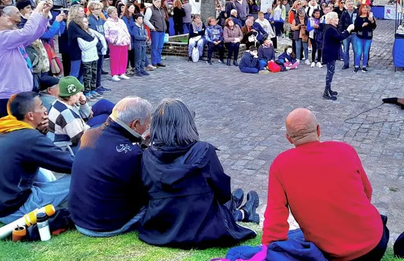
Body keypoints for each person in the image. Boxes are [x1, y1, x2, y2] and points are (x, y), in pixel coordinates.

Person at [262, 108, 389, 261]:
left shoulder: (280, 165)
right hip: (376, 243)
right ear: (318, 130)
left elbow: (275, 221)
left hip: (335, 255)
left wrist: (268, 251)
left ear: (289, 138)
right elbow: (367, 191)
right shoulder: (345, 150)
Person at [139, 99, 258, 248]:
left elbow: (144, 194)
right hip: (202, 230)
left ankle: (239, 208)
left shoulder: (147, 156)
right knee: (222, 198)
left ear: (156, 126)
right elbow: (223, 194)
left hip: (161, 230)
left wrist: (143, 144)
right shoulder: (204, 151)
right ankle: (243, 212)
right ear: (187, 124)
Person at [69, 97, 152, 237]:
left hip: (79, 218)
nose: (147, 128)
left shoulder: (89, 134)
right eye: (147, 125)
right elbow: (145, 190)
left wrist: (141, 144)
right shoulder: (131, 154)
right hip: (106, 225)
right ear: (135, 124)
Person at [0, 92, 73, 224]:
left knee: (38, 168)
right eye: (41, 106)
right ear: (30, 115)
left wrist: (39, 133)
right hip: (15, 209)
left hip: (4, 201)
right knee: (82, 175)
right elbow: (70, 164)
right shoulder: (30, 138)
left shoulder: (6, 128)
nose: (45, 110)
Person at [0, 0, 52, 117]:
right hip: (8, 96)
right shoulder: (2, 37)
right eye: (3, 15)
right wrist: (37, 10)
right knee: (13, 131)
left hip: (19, 93)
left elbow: (35, 33)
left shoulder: (10, 38)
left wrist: (44, 14)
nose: (7, 17)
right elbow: (27, 32)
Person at [322, 12, 355, 100]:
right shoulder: (330, 28)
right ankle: (326, 92)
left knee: (331, 71)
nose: (338, 20)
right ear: (331, 20)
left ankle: (328, 89)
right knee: (330, 72)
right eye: (336, 18)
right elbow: (340, 37)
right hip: (329, 52)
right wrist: (348, 30)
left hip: (330, 52)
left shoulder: (331, 27)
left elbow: (339, 35)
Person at [77, 17, 106, 100]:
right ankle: (87, 91)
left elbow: (100, 36)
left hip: (94, 56)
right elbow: (84, 47)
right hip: (87, 57)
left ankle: (93, 90)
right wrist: (94, 42)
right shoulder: (80, 35)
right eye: (84, 22)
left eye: (87, 21)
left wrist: (103, 46)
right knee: (87, 76)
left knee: (94, 74)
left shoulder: (90, 31)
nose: (87, 23)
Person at [87, 1, 111, 92]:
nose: (99, 10)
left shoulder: (100, 19)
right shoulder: (90, 20)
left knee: (99, 67)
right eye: (97, 9)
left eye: (100, 9)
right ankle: (94, 86)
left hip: (102, 45)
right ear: (92, 10)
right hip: (96, 46)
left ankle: (98, 84)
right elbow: (92, 34)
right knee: (95, 68)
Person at [104, 6, 131, 82]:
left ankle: (122, 72)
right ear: (109, 14)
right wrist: (112, 41)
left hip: (124, 42)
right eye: (113, 12)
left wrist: (128, 40)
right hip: (115, 44)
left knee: (123, 58)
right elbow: (106, 34)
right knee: (115, 58)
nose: (116, 14)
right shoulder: (107, 23)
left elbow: (126, 30)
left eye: (116, 12)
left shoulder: (121, 21)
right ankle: (114, 73)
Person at [143, 0, 167, 68]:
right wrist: (152, 27)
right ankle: (154, 62)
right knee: (155, 47)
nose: (159, 3)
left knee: (160, 47)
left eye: (160, 1)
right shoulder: (150, 9)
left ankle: (158, 61)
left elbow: (164, 18)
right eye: (157, 1)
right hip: (155, 31)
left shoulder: (162, 9)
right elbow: (146, 20)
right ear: (153, 1)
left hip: (162, 30)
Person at [353, 4, 376, 72]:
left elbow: (374, 27)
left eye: (366, 8)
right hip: (359, 37)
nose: (365, 9)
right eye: (363, 8)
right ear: (361, 9)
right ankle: (357, 66)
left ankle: (364, 66)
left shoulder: (370, 17)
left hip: (368, 37)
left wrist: (372, 21)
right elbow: (356, 28)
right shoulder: (358, 18)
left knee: (366, 52)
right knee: (359, 52)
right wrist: (362, 25)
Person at [338, 0, 358, 70]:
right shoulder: (344, 13)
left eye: (351, 4)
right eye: (349, 4)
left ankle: (356, 63)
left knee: (355, 49)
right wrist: (341, 32)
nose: (350, 6)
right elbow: (341, 23)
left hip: (354, 33)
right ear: (346, 5)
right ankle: (346, 63)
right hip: (346, 33)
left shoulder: (357, 12)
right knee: (345, 49)